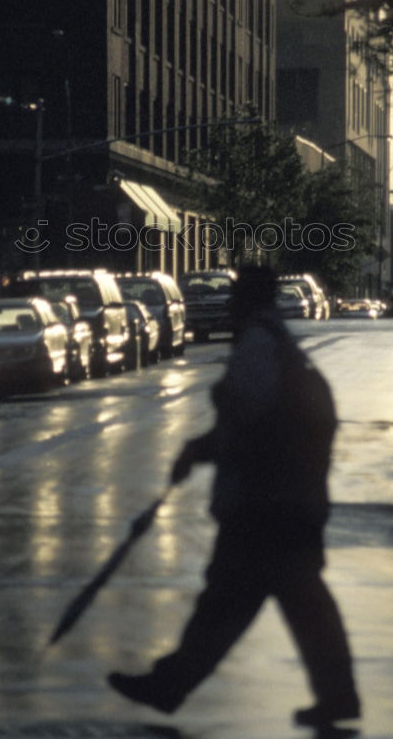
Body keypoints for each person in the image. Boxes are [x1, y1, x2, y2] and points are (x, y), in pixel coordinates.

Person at [107, 264, 360, 730]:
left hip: (263, 505)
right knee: (281, 604)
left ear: (248, 298)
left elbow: (248, 421)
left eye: (236, 294)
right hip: (289, 501)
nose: (228, 302)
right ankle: (337, 698)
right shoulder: (277, 342)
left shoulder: (259, 346)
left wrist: (199, 450)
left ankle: (170, 686)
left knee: (232, 604)